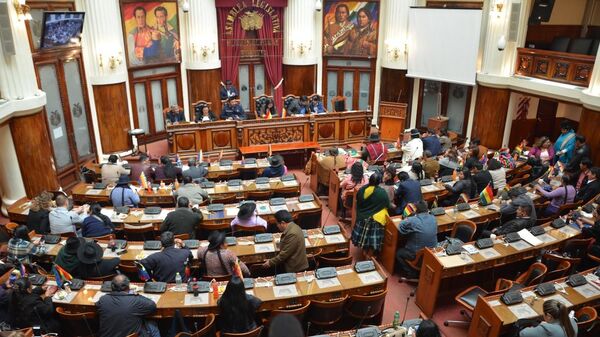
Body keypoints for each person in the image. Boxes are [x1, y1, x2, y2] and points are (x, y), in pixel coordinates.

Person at [351, 173, 390, 256]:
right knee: (372, 239)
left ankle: (364, 250)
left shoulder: (362, 190)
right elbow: (387, 204)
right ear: (379, 182)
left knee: (364, 237)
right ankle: (370, 254)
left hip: (362, 217)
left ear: (369, 180)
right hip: (375, 218)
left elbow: (357, 202)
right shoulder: (382, 192)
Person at [396, 201, 437, 279]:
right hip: (432, 254)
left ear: (416, 211)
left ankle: (411, 273)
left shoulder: (413, 220)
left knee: (399, 253)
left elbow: (400, 225)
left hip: (417, 256)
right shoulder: (433, 218)